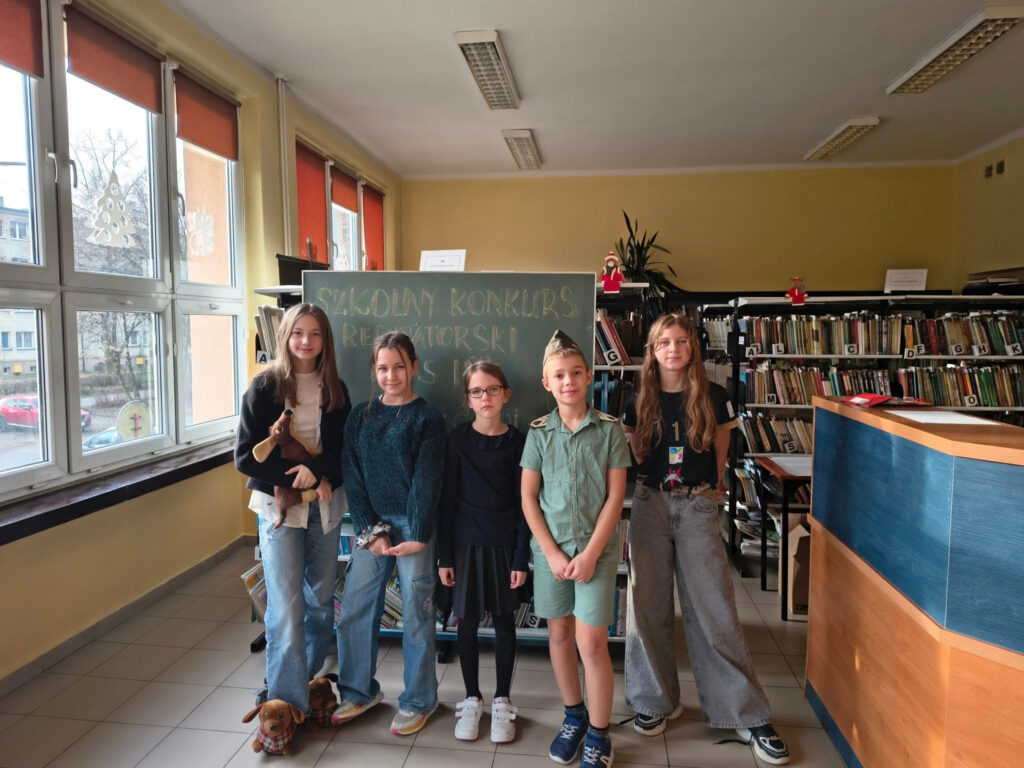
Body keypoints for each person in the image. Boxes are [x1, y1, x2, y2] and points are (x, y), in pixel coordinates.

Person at [622, 313, 790, 765]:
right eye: (664, 342)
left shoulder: (714, 395)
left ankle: (743, 712)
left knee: (714, 606)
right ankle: (654, 701)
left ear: (692, 347)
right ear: (652, 350)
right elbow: (634, 450)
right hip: (650, 504)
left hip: (697, 503)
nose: (673, 349)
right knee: (647, 606)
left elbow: (720, 447)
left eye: (681, 341)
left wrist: (712, 490)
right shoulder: (637, 397)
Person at [520, 331, 631, 768]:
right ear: (547, 383)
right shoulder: (538, 434)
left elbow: (615, 498)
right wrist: (551, 553)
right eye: (559, 375)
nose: (568, 381)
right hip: (552, 554)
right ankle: (574, 716)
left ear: (588, 377)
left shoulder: (609, 430)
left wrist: (590, 554)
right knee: (560, 634)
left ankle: (600, 735)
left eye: (576, 373)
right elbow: (529, 497)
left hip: (595, 554)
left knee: (591, 643)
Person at [234, 303, 350, 715]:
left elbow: (344, 451)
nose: (306, 341)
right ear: (285, 336)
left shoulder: (335, 388)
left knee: (320, 601)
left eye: (315, 333)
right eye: (298, 332)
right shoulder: (264, 387)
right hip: (278, 509)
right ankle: (286, 700)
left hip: (323, 505)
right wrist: (292, 477)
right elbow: (245, 457)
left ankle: (308, 679)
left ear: (325, 340)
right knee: (285, 607)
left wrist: (316, 471)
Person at [331, 331, 446, 736]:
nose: (391, 375)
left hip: (415, 524)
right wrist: (370, 530)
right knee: (356, 606)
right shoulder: (359, 416)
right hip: (373, 525)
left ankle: (419, 699)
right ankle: (358, 691)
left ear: (414, 367)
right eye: (383, 368)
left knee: (417, 612)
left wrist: (418, 533)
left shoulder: (427, 418)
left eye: (399, 366)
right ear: (374, 370)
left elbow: (426, 481)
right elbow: (352, 475)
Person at [437, 361, 528, 743]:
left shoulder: (520, 442)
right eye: (477, 391)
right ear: (468, 399)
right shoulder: (457, 440)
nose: (485, 397)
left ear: (506, 394)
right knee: (468, 621)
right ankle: (472, 697)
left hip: (505, 544)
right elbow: (446, 501)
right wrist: (445, 556)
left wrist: (521, 557)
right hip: (465, 544)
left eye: (492, 389)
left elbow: (526, 504)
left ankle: (502, 699)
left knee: (505, 622)